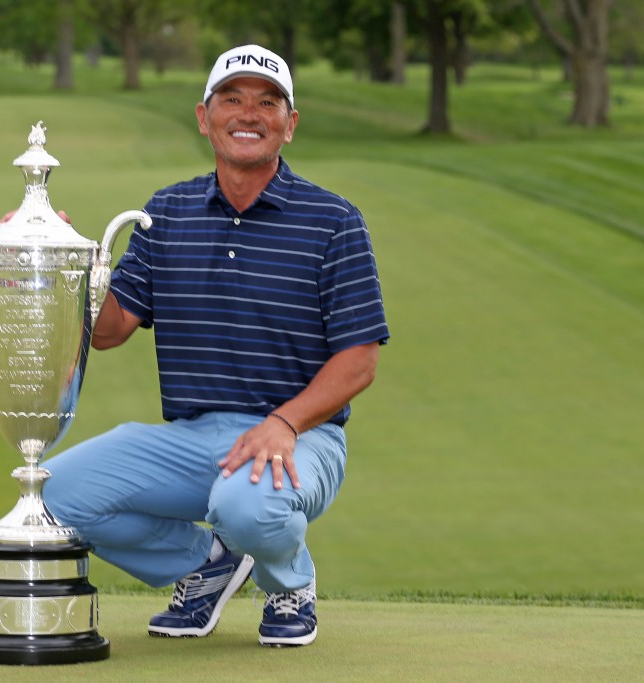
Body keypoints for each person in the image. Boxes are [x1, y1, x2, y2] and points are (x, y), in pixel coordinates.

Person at [43, 44, 389, 648]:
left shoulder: (334, 220)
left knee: (247, 505)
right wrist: (67, 263)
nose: (247, 113)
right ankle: (210, 563)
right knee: (53, 499)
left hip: (303, 437)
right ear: (204, 117)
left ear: (290, 124)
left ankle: (289, 583)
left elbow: (359, 359)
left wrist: (284, 423)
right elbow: (108, 330)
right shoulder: (166, 212)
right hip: (191, 438)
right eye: (231, 99)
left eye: (266, 102)